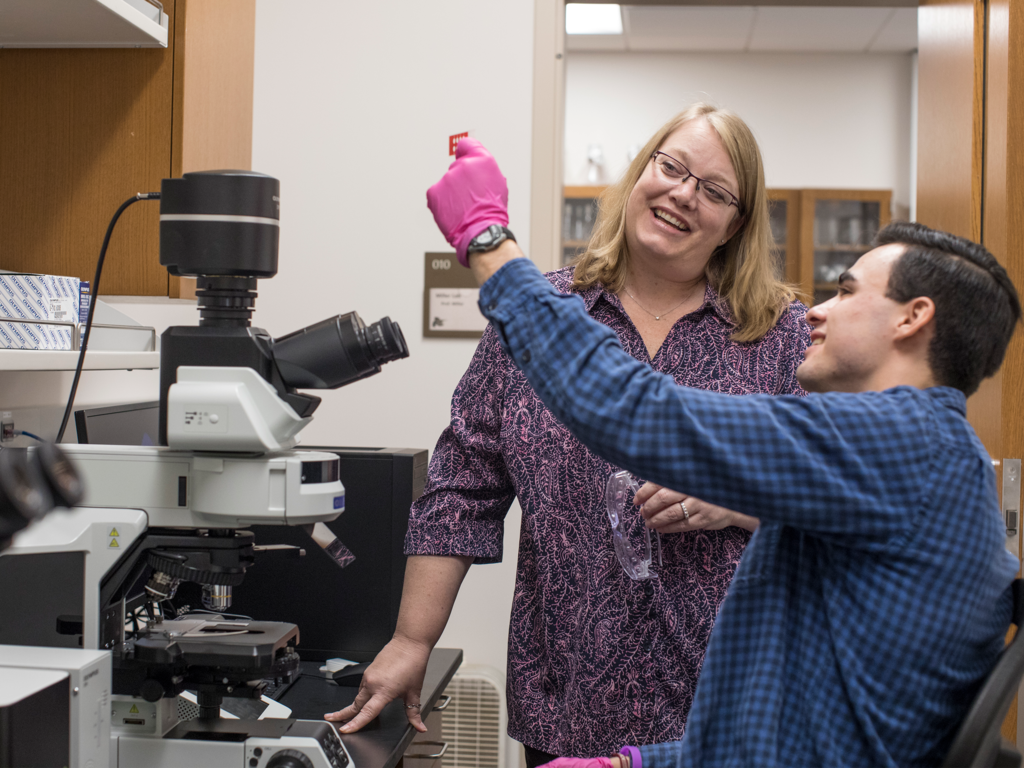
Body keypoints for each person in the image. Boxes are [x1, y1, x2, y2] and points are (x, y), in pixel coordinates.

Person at [421, 138, 1021, 768]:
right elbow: (782, 733)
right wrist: (631, 765)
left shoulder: (899, 443)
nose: (816, 311)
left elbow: (637, 414)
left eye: (845, 293)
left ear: (911, 318)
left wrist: (488, 241)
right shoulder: (915, 450)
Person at [325, 104, 810, 764]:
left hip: (728, 710)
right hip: (569, 703)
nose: (683, 195)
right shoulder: (536, 318)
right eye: (672, 167)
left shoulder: (781, 338)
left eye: (715, 190)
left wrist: (738, 499)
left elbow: (833, 497)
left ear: (736, 224)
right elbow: (460, 490)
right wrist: (413, 640)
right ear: (641, 171)